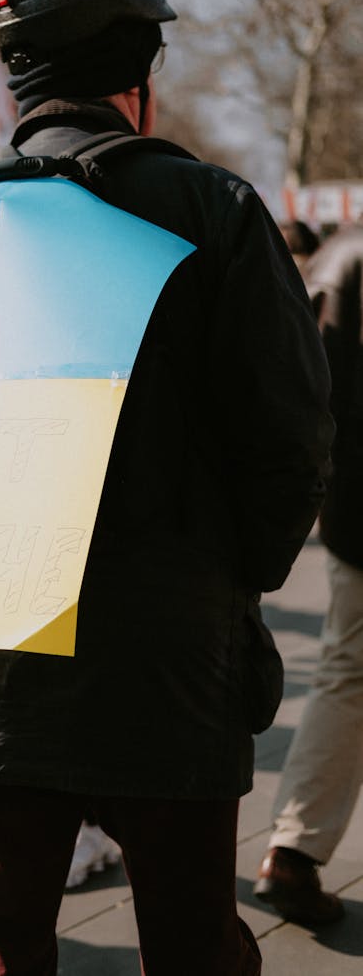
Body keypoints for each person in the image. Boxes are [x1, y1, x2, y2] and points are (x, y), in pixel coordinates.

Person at [0, 0, 333, 976]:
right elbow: (291, 446)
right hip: (170, 659)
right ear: (136, 75)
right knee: (194, 947)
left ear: (20, 76)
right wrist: (235, 580)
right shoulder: (217, 214)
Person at [254, 223, 363, 927]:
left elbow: (302, 390)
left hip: (358, 501)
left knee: (348, 668)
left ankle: (294, 848)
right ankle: (293, 851)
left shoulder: (343, 259)